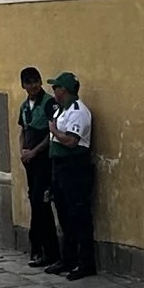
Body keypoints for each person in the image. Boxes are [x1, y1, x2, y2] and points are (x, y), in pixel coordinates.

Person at [48, 73, 98, 276]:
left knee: (78, 214)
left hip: (74, 166)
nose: (54, 91)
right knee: (64, 214)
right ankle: (67, 258)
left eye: (56, 88)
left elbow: (71, 141)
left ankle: (85, 262)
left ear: (65, 90)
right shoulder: (62, 110)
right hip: (60, 166)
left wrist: (54, 130)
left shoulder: (78, 111)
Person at [16, 66, 58, 268]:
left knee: (42, 203)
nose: (32, 86)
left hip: (44, 159)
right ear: (23, 85)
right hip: (30, 161)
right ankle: (37, 248)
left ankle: (49, 251)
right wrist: (22, 151)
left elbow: (51, 134)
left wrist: (34, 152)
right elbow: (23, 131)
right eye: (28, 82)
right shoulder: (25, 106)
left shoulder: (49, 103)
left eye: (35, 81)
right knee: (34, 201)